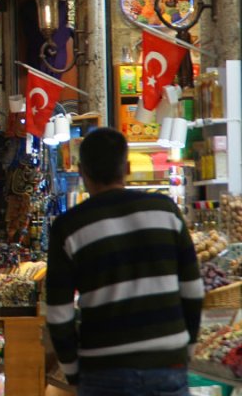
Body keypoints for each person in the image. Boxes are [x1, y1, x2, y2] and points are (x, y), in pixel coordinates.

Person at [46, 128, 202, 396]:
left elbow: (59, 314)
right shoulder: (165, 211)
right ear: (127, 167)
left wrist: (72, 371)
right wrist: (184, 349)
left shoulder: (68, 226)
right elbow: (193, 290)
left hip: (104, 369)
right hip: (167, 364)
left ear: (82, 172)